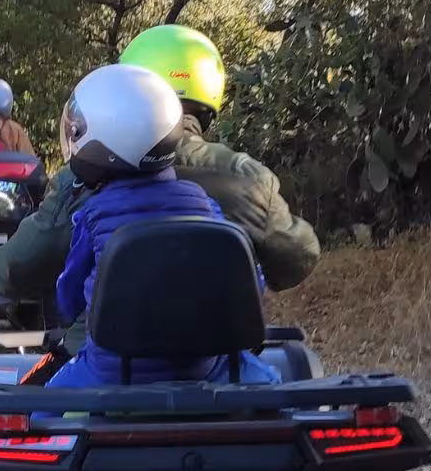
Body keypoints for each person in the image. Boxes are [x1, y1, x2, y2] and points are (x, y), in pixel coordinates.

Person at [0, 25, 319, 362]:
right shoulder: (249, 177)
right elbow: (295, 259)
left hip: (107, 363)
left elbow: (26, 265)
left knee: (26, 403)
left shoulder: (86, 175)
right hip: (219, 362)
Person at [42, 64, 278, 389]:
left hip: (111, 374)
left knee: (42, 411)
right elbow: (253, 282)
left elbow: (68, 298)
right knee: (275, 388)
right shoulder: (204, 203)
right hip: (207, 368)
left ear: (101, 139)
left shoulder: (93, 215)